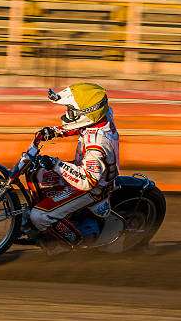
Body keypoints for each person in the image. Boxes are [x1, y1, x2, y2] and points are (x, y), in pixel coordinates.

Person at [29, 82, 120, 254]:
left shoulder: (96, 145)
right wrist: (55, 131)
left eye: (71, 111)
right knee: (40, 175)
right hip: (90, 168)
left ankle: (73, 242)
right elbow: (83, 125)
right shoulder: (104, 114)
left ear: (87, 113)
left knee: (39, 216)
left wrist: (56, 164)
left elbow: (87, 181)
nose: (67, 114)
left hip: (93, 186)